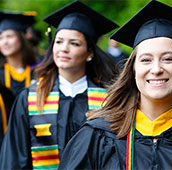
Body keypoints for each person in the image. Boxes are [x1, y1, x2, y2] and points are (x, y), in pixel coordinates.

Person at [59, 1, 172, 169]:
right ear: (133, 70)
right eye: (146, 60)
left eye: (167, 59)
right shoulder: (98, 136)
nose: (156, 69)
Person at [0, 1, 118, 169]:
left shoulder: (106, 101)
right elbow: (14, 159)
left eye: (74, 43)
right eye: (59, 41)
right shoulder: (29, 98)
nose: (64, 49)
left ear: (89, 53)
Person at [0, 11, 37, 96]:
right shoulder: (0, 74)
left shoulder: (38, 71)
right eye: (1, 38)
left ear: (21, 39)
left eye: (9, 36)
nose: (5, 42)